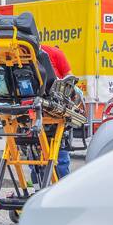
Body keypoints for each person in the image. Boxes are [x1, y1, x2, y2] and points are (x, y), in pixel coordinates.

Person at [41, 44, 72, 178]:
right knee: (37, 158)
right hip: (40, 111)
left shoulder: (54, 53)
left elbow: (69, 79)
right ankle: (41, 188)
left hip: (54, 111)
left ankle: (60, 188)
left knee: (58, 158)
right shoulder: (17, 55)